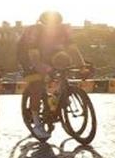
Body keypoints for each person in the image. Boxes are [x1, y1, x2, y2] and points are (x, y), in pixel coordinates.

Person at [17, 11, 87, 140]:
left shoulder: (63, 31)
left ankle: (59, 96)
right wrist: (43, 69)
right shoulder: (36, 32)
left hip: (49, 54)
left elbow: (73, 49)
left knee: (63, 60)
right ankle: (37, 122)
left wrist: (82, 65)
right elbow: (33, 56)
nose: (54, 27)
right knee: (37, 85)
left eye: (57, 24)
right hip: (28, 55)